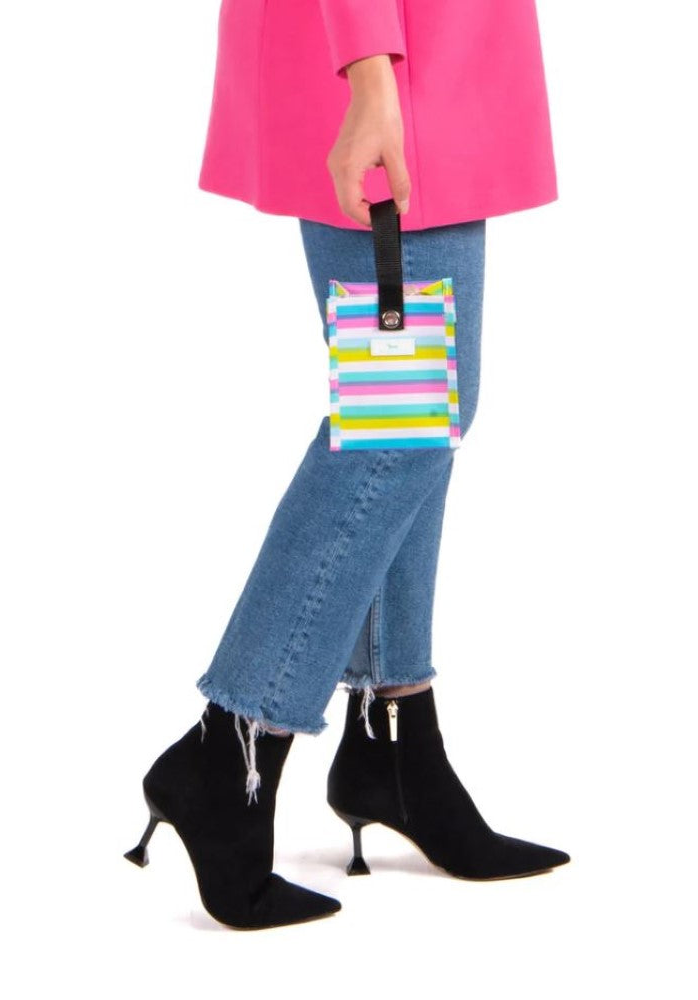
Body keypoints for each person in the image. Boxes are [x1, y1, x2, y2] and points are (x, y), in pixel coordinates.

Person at [123, 0, 570, 930]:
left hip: (429, 63)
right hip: (382, 66)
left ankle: (392, 742)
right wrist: (368, 72)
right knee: (403, 423)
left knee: (414, 415)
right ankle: (229, 750)